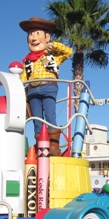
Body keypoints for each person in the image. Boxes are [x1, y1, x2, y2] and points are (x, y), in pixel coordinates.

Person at [18, 16, 73, 156]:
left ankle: (53, 146)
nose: (33, 38)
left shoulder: (51, 57)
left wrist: (54, 46)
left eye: (37, 33)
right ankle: (40, 146)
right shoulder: (27, 61)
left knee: (50, 115)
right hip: (32, 91)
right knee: (36, 119)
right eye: (31, 34)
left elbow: (68, 52)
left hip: (48, 87)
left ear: (47, 37)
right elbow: (22, 78)